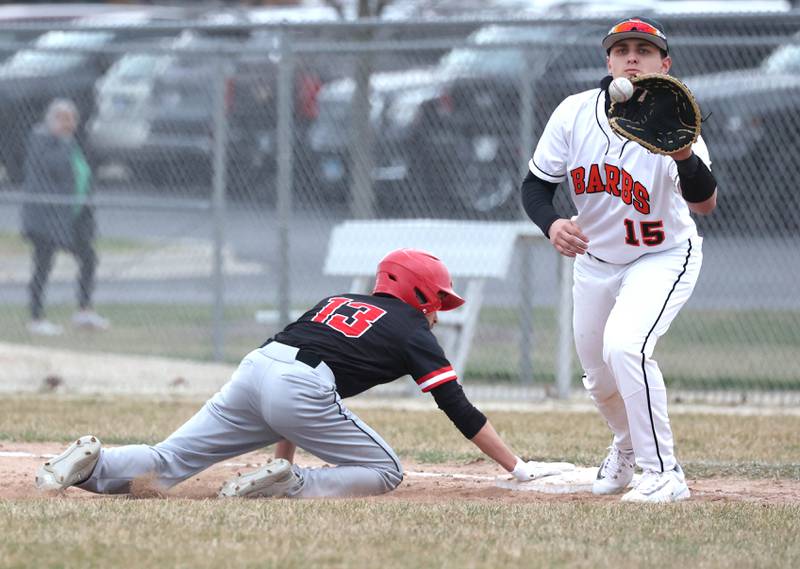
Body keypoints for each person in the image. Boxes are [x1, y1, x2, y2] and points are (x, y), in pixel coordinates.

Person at [36, 249, 565, 498]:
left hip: (255, 368)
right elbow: (457, 407)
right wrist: (517, 467)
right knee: (387, 473)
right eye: (438, 300)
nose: (438, 312)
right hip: (301, 385)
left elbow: (284, 387)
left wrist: (276, 456)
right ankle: (294, 486)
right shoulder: (412, 330)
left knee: (168, 460)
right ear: (419, 293)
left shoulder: (336, 299)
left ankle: (93, 463)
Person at [521, 17, 717, 503]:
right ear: (607, 61)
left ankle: (664, 473)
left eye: (645, 50)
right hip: (596, 260)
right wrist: (552, 223)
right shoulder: (573, 113)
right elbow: (535, 187)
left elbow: (705, 202)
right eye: (622, 49)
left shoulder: (675, 117)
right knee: (599, 377)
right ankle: (627, 445)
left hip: (662, 255)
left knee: (627, 347)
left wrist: (684, 153)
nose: (633, 57)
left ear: (664, 64)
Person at [21, 98, 109, 336]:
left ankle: (84, 310)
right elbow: (54, 166)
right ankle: (36, 318)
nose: (70, 125)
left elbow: (83, 171)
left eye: (73, 119)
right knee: (42, 265)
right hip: (47, 216)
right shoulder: (42, 140)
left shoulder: (70, 143)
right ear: (52, 120)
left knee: (88, 258)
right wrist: (62, 140)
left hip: (74, 216)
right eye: (64, 119)